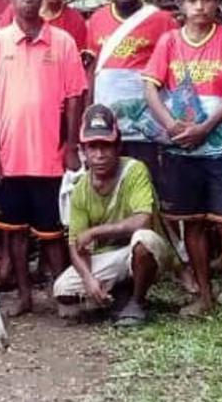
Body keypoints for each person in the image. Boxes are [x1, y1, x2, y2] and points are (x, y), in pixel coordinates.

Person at [143, 0, 222, 321]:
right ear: (182, 5)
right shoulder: (168, 42)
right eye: (192, 0)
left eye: (205, 0)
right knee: (191, 224)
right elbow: (151, 88)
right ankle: (205, 297)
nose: (199, 6)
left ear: (216, 3)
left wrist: (206, 127)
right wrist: (172, 126)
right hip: (182, 151)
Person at [0, 0, 88, 316]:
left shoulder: (63, 41)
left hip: (50, 156)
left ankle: (63, 294)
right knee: (14, 232)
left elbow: (75, 96)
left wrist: (71, 146)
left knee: (53, 233)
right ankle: (24, 297)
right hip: (10, 156)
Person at [55, 104, 172, 326]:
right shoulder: (80, 188)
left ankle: (137, 302)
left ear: (118, 147)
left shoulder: (134, 170)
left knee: (143, 240)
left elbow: (143, 220)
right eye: (92, 147)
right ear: (84, 151)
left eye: (106, 146)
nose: (99, 155)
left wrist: (96, 232)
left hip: (144, 250)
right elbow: (75, 244)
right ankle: (120, 294)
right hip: (111, 257)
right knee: (63, 291)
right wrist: (89, 280)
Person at [87, 0, 178, 181]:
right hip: (105, 129)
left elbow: (174, 73)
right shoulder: (96, 20)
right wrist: (86, 115)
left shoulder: (162, 21)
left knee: (145, 187)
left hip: (146, 131)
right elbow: (91, 73)